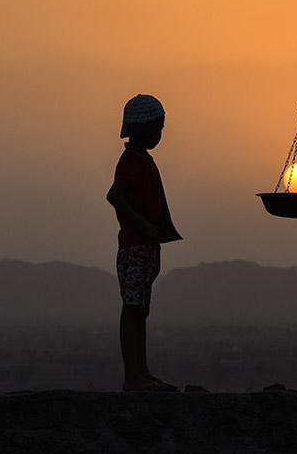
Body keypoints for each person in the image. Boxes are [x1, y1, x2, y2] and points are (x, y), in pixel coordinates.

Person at [106, 94, 183, 392]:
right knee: (133, 308)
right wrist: (141, 224)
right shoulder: (133, 161)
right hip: (135, 246)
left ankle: (143, 374)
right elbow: (114, 196)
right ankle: (133, 378)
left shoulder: (140, 160)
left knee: (140, 310)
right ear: (151, 128)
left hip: (145, 247)